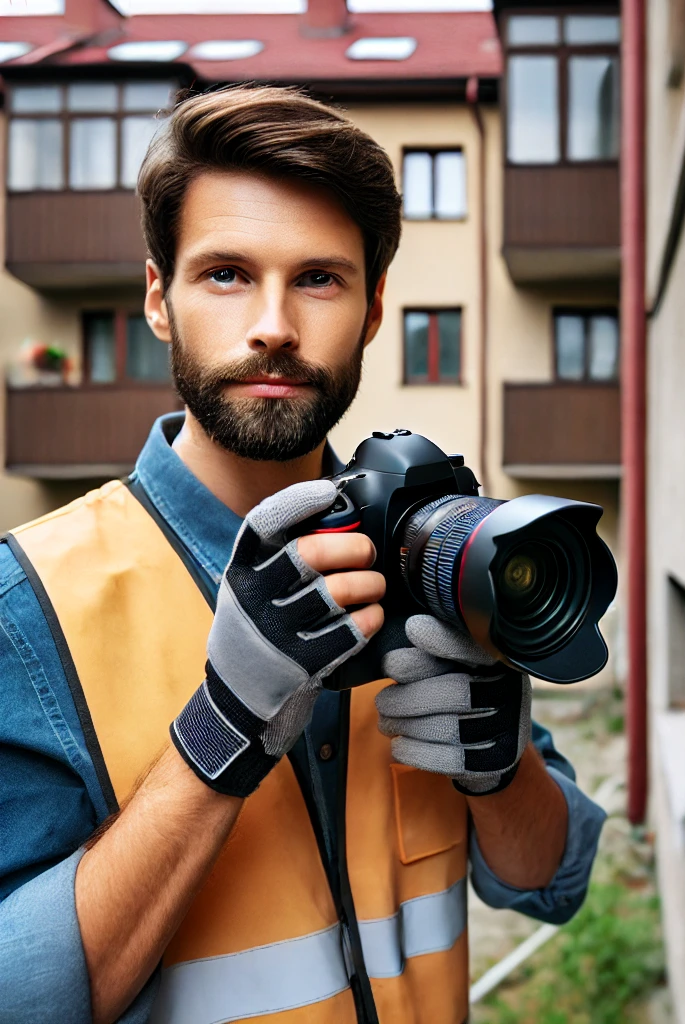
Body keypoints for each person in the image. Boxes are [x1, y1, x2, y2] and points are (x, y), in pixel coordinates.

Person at [0, 85, 605, 1024]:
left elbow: (549, 881)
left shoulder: (430, 548)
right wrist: (219, 732)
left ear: (371, 312)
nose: (275, 323)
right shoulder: (29, 602)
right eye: (227, 274)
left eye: (319, 278)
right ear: (159, 299)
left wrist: (505, 767)